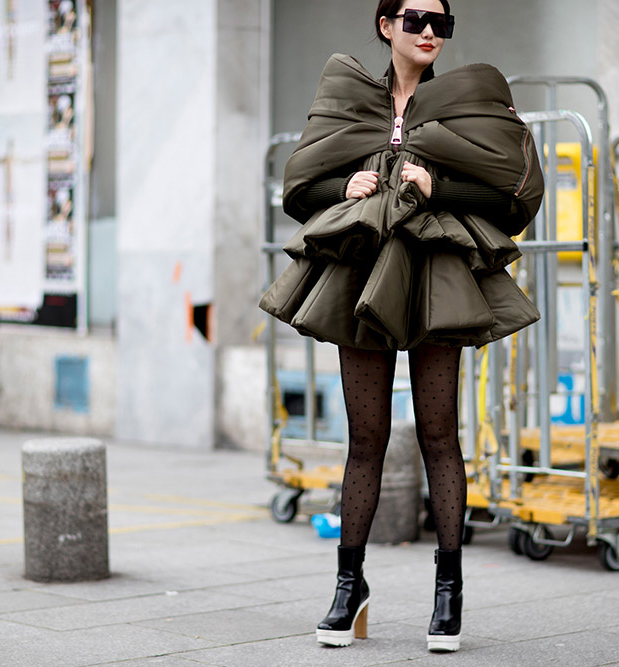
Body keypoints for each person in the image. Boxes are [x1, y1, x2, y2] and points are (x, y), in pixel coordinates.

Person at [260, 0, 544, 653]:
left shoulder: (465, 101)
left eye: (440, 23)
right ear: (385, 24)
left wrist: (436, 185)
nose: (428, 32)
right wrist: (347, 187)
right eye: (415, 18)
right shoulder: (348, 95)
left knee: (440, 433)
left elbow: (511, 193)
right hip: (362, 271)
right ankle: (348, 586)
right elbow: (299, 184)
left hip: (436, 274)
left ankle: (449, 593)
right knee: (366, 439)